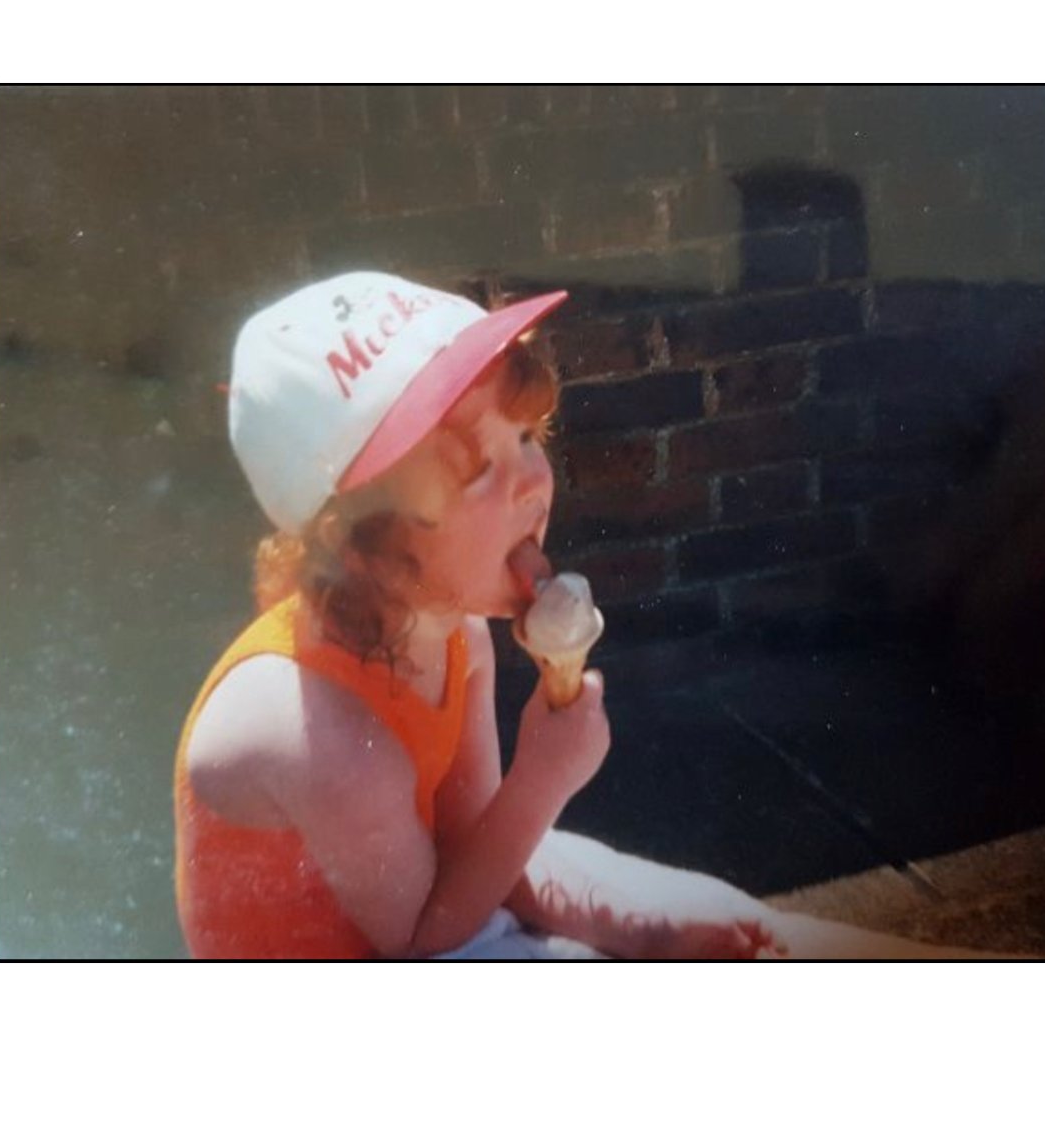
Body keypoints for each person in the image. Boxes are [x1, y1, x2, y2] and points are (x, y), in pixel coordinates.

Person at [174, 271, 998, 959]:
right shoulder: (313, 735)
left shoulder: (452, 630)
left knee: (751, 934)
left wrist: (646, 929)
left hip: (440, 912)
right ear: (359, 545)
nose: (533, 482)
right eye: (476, 473)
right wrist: (545, 777)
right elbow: (427, 944)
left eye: (527, 438)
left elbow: (474, 851)